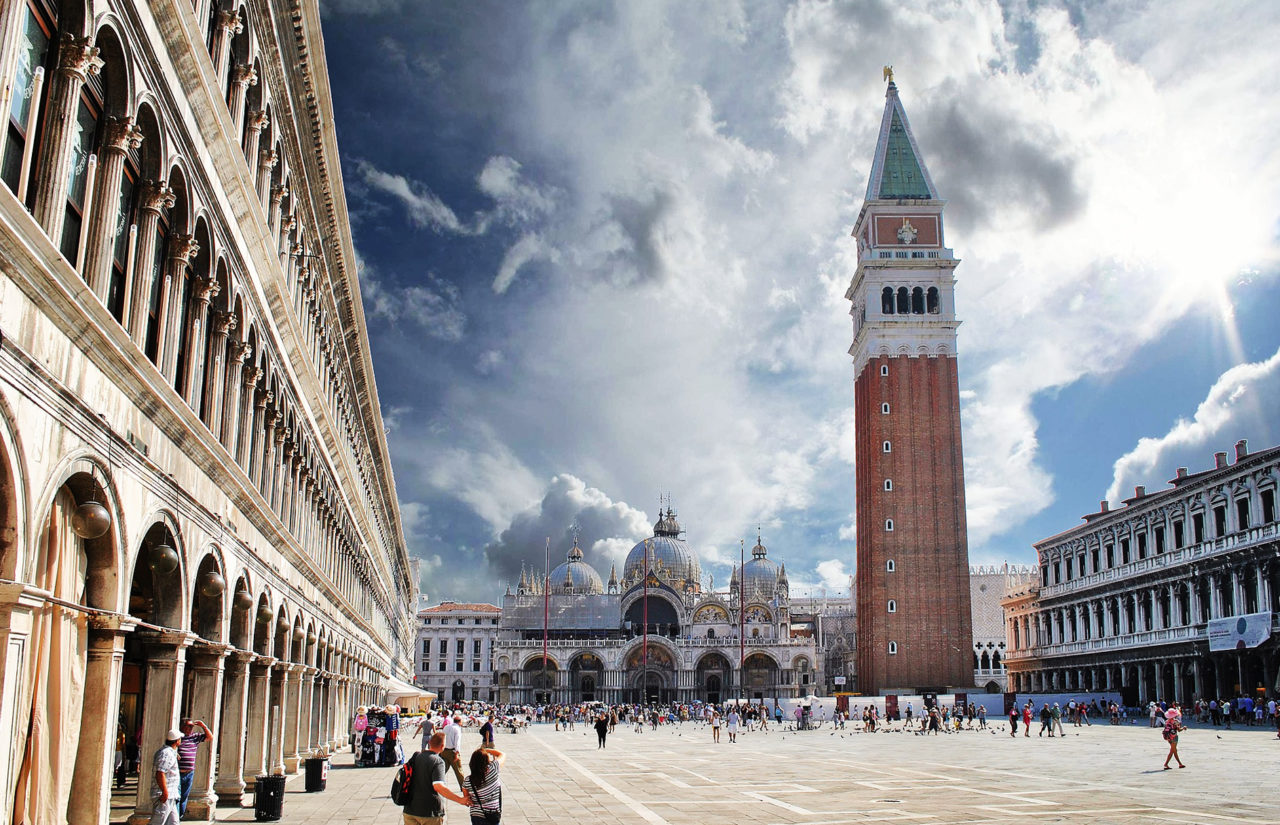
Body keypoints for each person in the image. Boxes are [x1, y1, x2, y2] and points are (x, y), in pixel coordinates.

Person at [401, 731, 471, 825]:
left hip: (410, 810)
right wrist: (460, 799)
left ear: (429, 743)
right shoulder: (438, 761)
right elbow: (438, 786)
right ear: (442, 747)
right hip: (429, 812)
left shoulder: (416, 757)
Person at [176, 718, 212, 816]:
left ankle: (179, 816)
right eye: (189, 726)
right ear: (183, 726)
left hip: (189, 773)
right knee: (177, 796)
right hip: (178, 772)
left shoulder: (194, 737)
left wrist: (203, 726)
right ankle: (174, 819)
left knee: (184, 796)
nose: (191, 728)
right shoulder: (178, 737)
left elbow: (209, 737)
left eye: (192, 726)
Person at [149, 728, 183, 825]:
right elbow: (160, 773)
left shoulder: (169, 752)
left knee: (174, 822)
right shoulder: (167, 754)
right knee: (158, 821)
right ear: (177, 741)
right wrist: (164, 792)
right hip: (165, 794)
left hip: (171, 794)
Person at [468, 746, 505, 825]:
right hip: (492, 814)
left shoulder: (467, 781)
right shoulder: (493, 769)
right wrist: (486, 750)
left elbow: (468, 800)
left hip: (476, 815)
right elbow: (502, 754)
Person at [441, 714, 466, 792]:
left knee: (443, 769)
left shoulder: (446, 727)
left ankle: (436, 783)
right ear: (459, 722)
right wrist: (456, 754)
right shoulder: (457, 729)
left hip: (444, 751)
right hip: (452, 752)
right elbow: (457, 742)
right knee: (458, 770)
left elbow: (442, 738)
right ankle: (463, 787)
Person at [1162, 703, 1186, 770]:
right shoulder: (1175, 721)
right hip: (1174, 737)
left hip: (1168, 738)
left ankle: (1180, 764)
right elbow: (1179, 730)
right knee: (1172, 751)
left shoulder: (1167, 721)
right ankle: (1166, 764)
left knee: (1174, 750)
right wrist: (1183, 728)